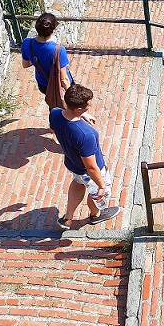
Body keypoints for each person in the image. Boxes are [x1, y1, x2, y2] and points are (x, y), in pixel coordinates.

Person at [49, 84, 120, 229]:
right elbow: (91, 166)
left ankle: (67, 218)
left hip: (73, 165)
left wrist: (80, 115)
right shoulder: (86, 134)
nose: (90, 106)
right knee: (97, 193)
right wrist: (101, 186)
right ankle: (96, 215)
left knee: (78, 183)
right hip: (90, 171)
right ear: (79, 109)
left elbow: (56, 125)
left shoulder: (55, 113)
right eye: (88, 106)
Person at [21, 12, 73, 96]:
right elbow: (63, 79)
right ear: (52, 31)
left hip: (43, 84)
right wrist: (71, 95)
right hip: (58, 84)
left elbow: (25, 64)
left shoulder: (27, 43)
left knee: (53, 102)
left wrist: (37, 59)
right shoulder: (59, 50)